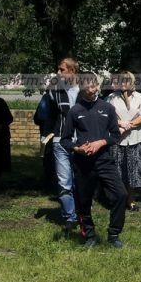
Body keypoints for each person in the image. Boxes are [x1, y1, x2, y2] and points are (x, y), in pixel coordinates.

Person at [60, 74, 127, 248]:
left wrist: (100, 143)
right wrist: (77, 149)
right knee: (83, 201)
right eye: (87, 88)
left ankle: (114, 234)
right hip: (83, 163)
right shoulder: (75, 111)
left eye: (93, 86)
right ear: (81, 88)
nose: (91, 90)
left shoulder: (107, 108)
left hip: (105, 160)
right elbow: (65, 140)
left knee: (121, 194)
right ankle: (89, 234)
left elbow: (115, 135)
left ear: (97, 85)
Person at [106, 71, 141, 212]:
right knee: (116, 171)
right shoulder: (112, 97)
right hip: (117, 139)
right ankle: (117, 200)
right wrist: (120, 124)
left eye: (126, 81)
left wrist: (128, 125)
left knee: (133, 172)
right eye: (120, 80)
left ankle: (131, 200)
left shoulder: (140, 97)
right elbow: (107, 116)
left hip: (134, 139)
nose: (123, 83)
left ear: (132, 82)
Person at [48, 58, 80, 231]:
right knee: (64, 181)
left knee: (80, 179)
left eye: (62, 70)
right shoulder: (55, 89)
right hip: (60, 140)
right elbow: (49, 113)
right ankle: (70, 217)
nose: (58, 73)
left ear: (72, 71)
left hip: (81, 141)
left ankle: (82, 213)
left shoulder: (85, 89)